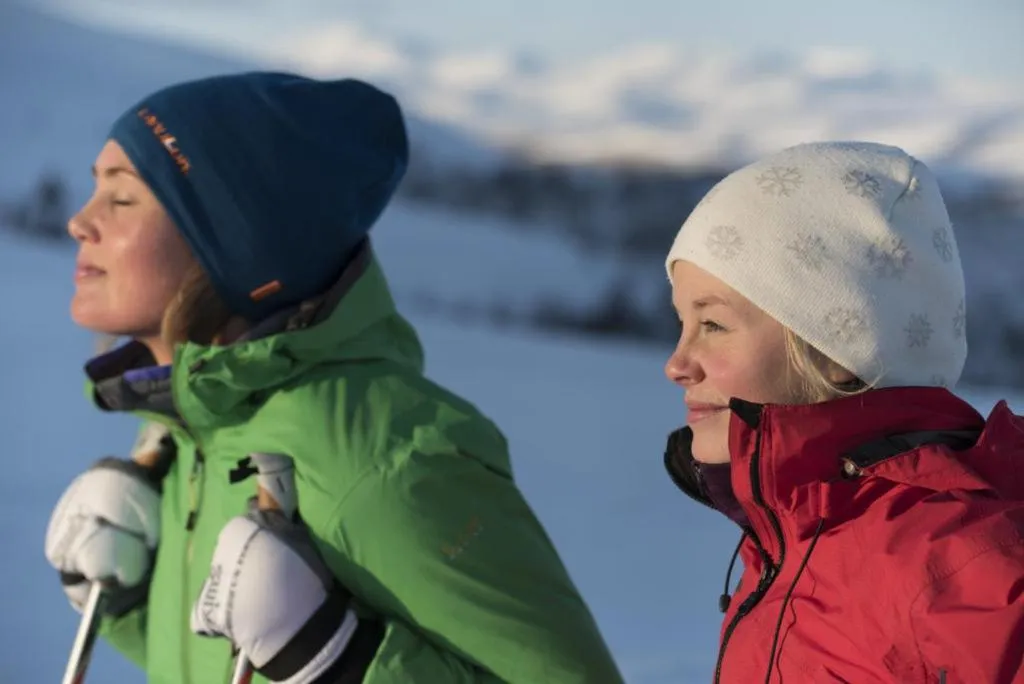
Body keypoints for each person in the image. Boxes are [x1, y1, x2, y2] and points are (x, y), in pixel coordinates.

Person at [43, 71, 624, 684]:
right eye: (92, 191)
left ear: (238, 242)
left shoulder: (386, 458)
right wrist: (128, 601)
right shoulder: (199, 432)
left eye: (123, 198)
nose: (79, 222)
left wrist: (337, 659)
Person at [661, 141, 1024, 683]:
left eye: (712, 325)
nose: (677, 364)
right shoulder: (796, 530)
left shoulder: (966, 567)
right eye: (681, 324)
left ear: (836, 352)